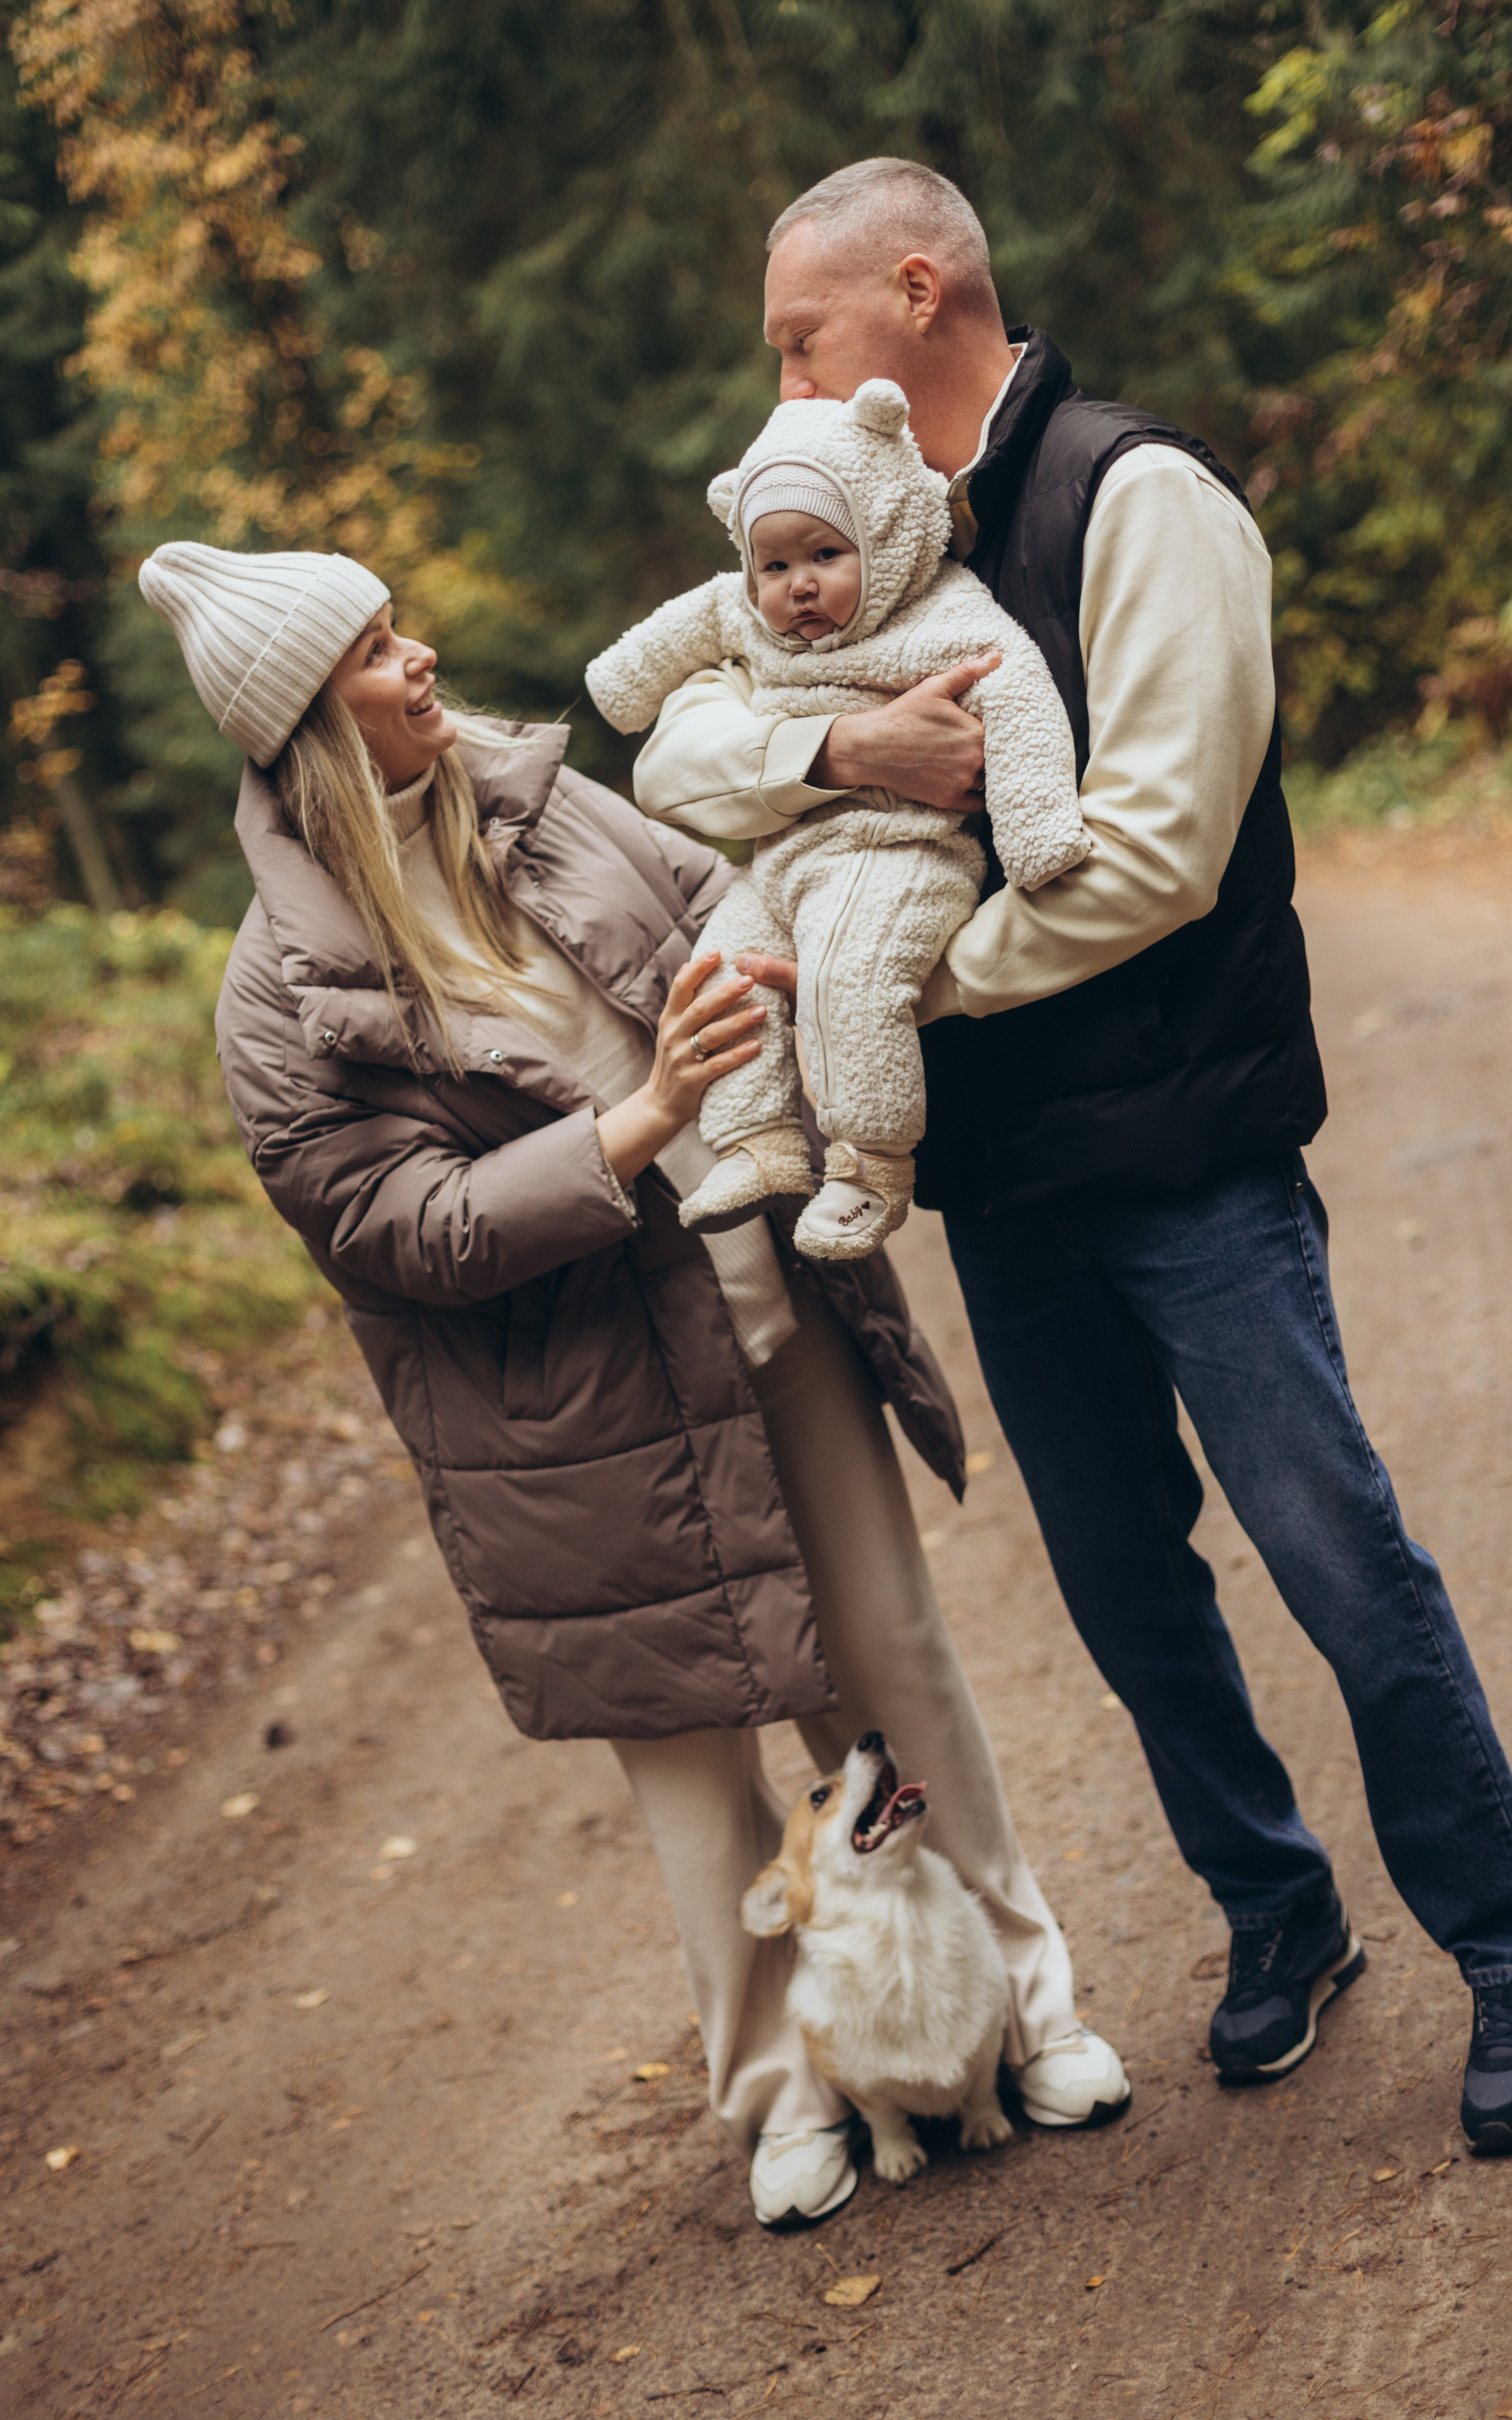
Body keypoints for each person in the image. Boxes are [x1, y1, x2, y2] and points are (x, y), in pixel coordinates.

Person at [628, 158, 1512, 2153]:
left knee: (1335, 1552)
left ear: (913, 289)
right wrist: (834, 761)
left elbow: (1151, 847)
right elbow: (680, 745)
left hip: (1190, 1154)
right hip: (1016, 1186)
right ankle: (1276, 1915)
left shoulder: (1139, 494)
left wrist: (889, 985)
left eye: (798, 333)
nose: (774, 373)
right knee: (1129, 1593)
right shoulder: (842, 545)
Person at [137, 538, 1131, 2230]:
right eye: (379, 651)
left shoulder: (551, 808)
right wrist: (639, 1125)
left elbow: (726, 904)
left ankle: (1027, 2012)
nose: (422, 657)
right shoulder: (278, 998)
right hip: (571, 1425)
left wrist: (788, 955)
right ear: (310, 722)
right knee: (690, 1769)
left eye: (401, 625)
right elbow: (397, 1229)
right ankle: (777, 2102)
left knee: (896, 1685)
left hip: (776, 1321)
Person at [583, 374, 1082, 1262]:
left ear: (882, 538)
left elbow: (1019, 691)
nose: (799, 587)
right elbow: (649, 670)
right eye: (775, 566)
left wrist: (1038, 825)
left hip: (899, 853)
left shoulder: (937, 612)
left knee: (849, 980)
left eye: (825, 556)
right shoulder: (747, 615)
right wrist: (617, 685)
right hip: (782, 865)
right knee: (719, 976)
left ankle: (871, 1167)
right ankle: (760, 1144)